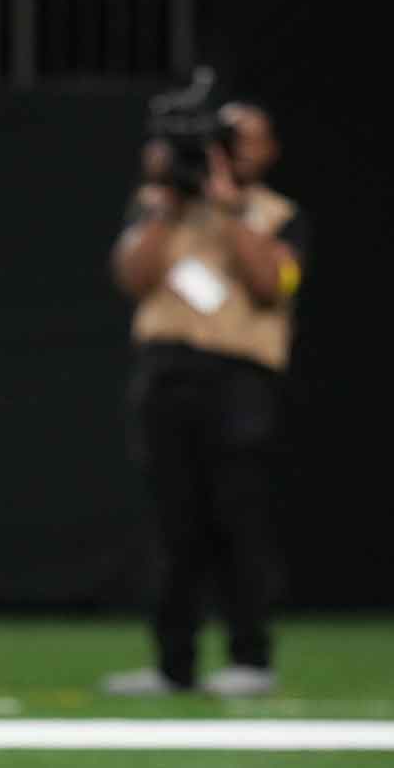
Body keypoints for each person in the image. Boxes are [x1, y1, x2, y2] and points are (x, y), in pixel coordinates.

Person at [103, 101, 308, 697]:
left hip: (239, 379)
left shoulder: (278, 215)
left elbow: (272, 285)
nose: (230, 150)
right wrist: (167, 199)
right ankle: (175, 666)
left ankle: (250, 658)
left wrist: (227, 204)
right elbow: (130, 277)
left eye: (245, 140)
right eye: (223, 139)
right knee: (172, 528)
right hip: (166, 374)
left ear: (268, 151)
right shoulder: (159, 206)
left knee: (239, 521)